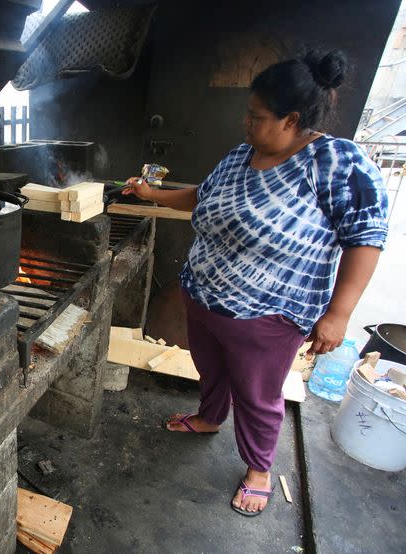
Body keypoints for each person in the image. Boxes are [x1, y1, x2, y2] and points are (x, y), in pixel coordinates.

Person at [122, 49, 388, 516]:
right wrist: (152, 195)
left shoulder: (337, 162)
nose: (246, 123)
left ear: (291, 119)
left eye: (256, 116)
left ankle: (259, 468)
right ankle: (208, 417)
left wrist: (339, 314)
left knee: (259, 396)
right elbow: (201, 197)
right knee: (212, 370)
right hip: (204, 297)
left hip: (269, 315)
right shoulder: (243, 155)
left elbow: (365, 239)